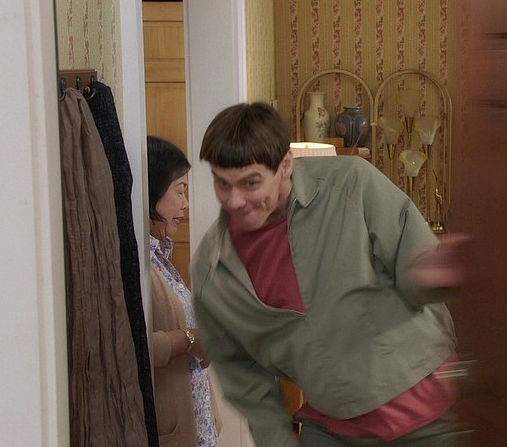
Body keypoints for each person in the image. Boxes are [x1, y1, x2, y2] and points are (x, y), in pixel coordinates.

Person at [191, 102, 469, 447]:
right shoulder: (213, 271)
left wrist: (431, 274)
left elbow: (414, 268)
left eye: (251, 183)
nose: (235, 201)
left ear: (286, 165)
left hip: (428, 414)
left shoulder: (352, 184)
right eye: (222, 183)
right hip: (332, 427)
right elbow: (242, 377)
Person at [147, 136, 221, 447]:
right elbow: (133, 346)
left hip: (197, 424)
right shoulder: (138, 264)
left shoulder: (160, 258)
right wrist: (190, 339)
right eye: (179, 190)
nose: (185, 203)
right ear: (152, 190)